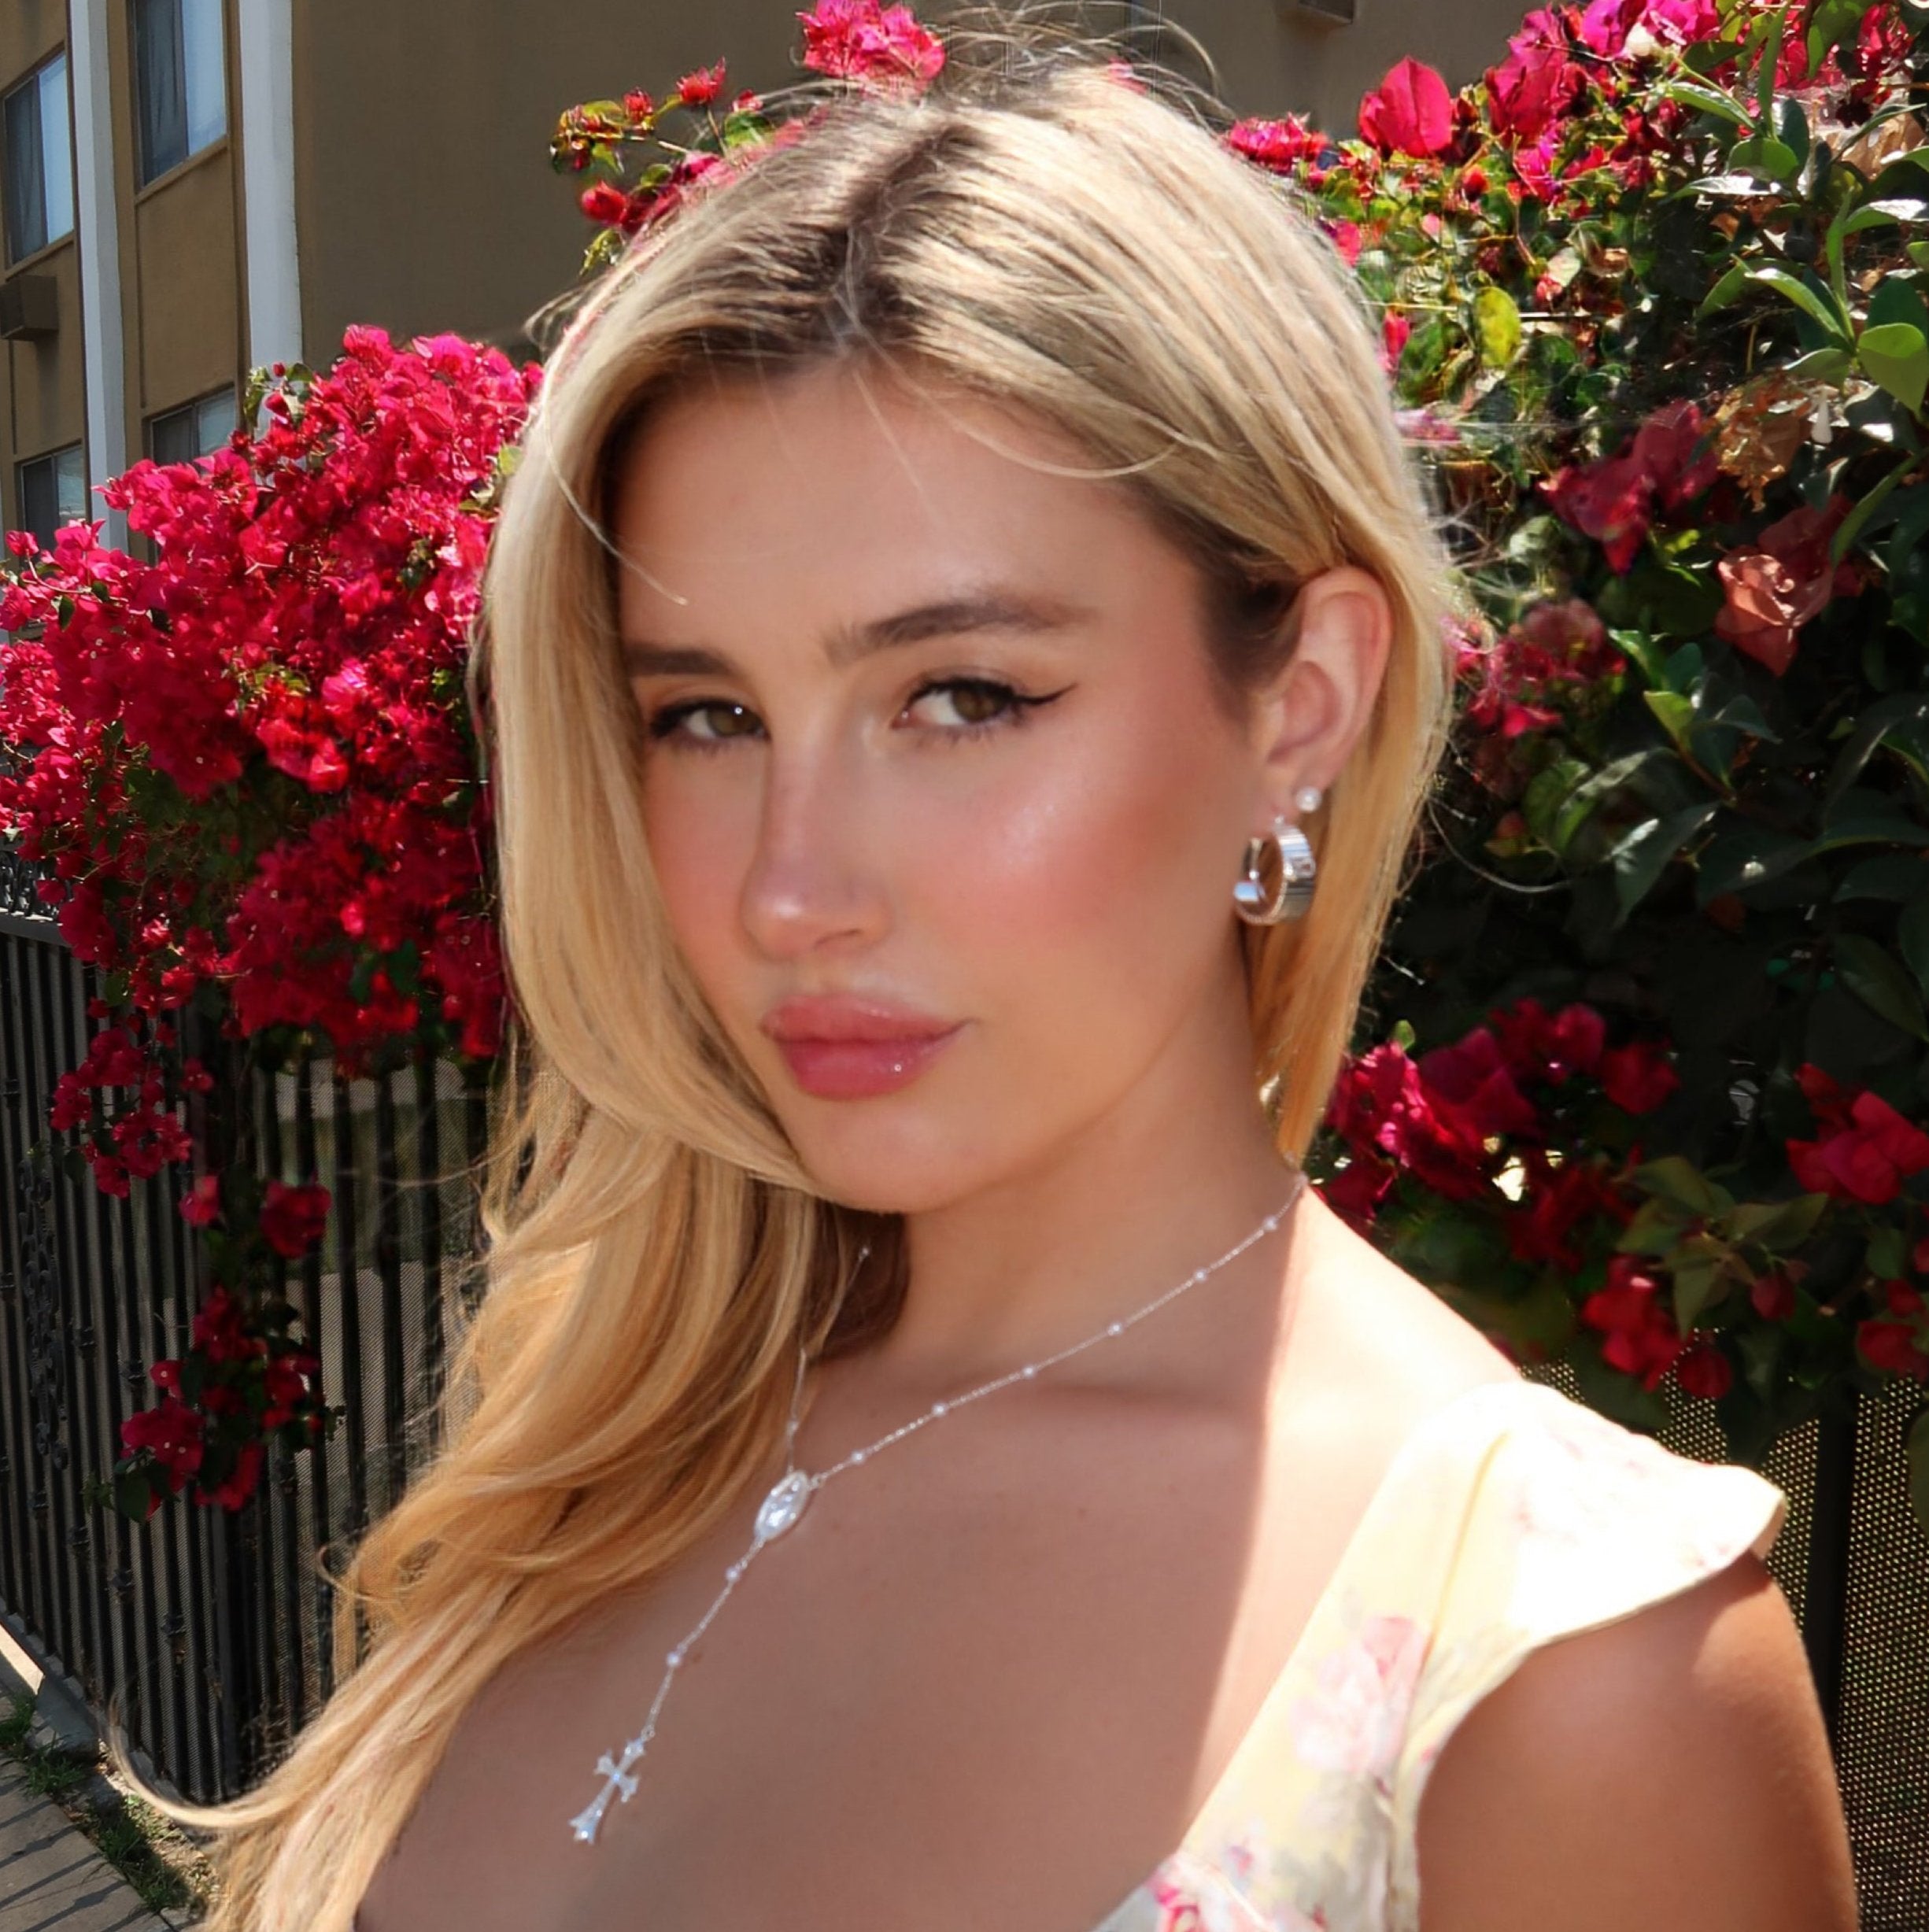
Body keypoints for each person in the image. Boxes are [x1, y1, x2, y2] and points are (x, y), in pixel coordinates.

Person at [145, 22, 1857, 1932]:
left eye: (959, 697)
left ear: (1298, 706)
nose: (790, 891)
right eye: (706, 716)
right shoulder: (609, 1440)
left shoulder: (1561, 1662)